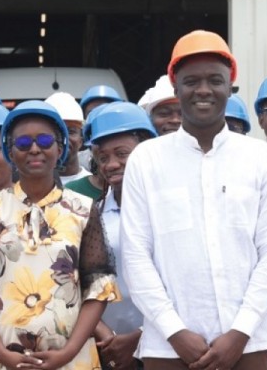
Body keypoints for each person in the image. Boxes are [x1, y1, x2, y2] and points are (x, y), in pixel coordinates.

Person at [120, 31, 267, 370]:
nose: (203, 90)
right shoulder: (146, 159)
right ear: (176, 87)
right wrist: (174, 331)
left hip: (248, 341)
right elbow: (136, 254)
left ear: (230, 86)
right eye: (191, 81)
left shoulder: (260, 158)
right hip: (168, 347)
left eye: (215, 80)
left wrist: (239, 332)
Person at [0, 100, 118, 370]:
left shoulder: (83, 209)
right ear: (10, 150)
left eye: (44, 140)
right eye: (22, 143)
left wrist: (69, 352)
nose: (34, 149)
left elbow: (98, 289)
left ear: (61, 148)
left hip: (70, 356)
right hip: (4, 357)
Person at [82, 101, 157, 369]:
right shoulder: (92, 215)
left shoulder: (172, 211)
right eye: (103, 158)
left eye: (122, 154)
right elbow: (81, 284)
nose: (112, 164)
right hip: (107, 349)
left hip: (165, 344)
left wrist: (141, 338)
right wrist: (108, 339)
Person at [45, 91, 91, 185]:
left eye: (71, 132)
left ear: (81, 140)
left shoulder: (94, 187)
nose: (63, 139)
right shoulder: (29, 186)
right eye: (56, 132)